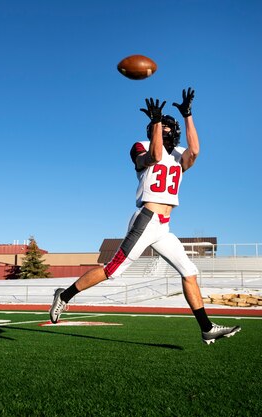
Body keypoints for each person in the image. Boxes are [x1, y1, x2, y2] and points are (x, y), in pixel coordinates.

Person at [50, 88, 241, 345]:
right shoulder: (142, 146)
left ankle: (206, 328)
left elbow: (195, 152)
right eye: (163, 127)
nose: (168, 131)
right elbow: (153, 157)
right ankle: (65, 296)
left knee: (189, 272)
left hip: (164, 225)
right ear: (154, 129)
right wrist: (157, 123)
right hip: (146, 218)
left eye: (170, 128)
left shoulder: (179, 154)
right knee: (112, 271)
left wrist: (188, 115)